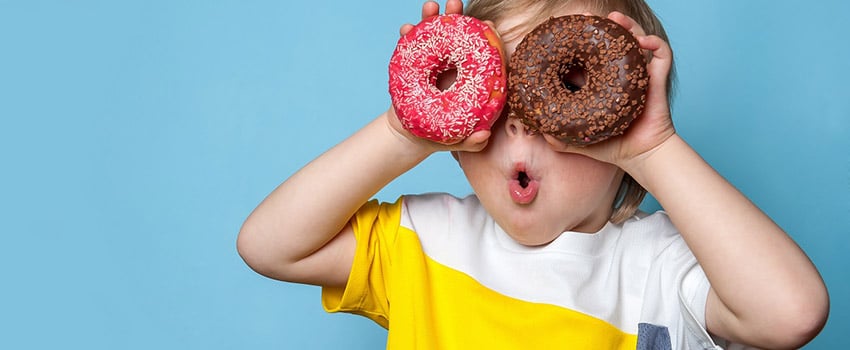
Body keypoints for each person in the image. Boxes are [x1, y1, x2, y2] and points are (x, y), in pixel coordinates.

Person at [237, 0, 829, 348]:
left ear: (618, 115)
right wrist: (402, 132)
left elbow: (791, 315)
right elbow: (269, 246)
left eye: (568, 91)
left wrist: (654, 149)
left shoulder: (662, 269)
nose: (520, 124)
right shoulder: (424, 243)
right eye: (492, 101)